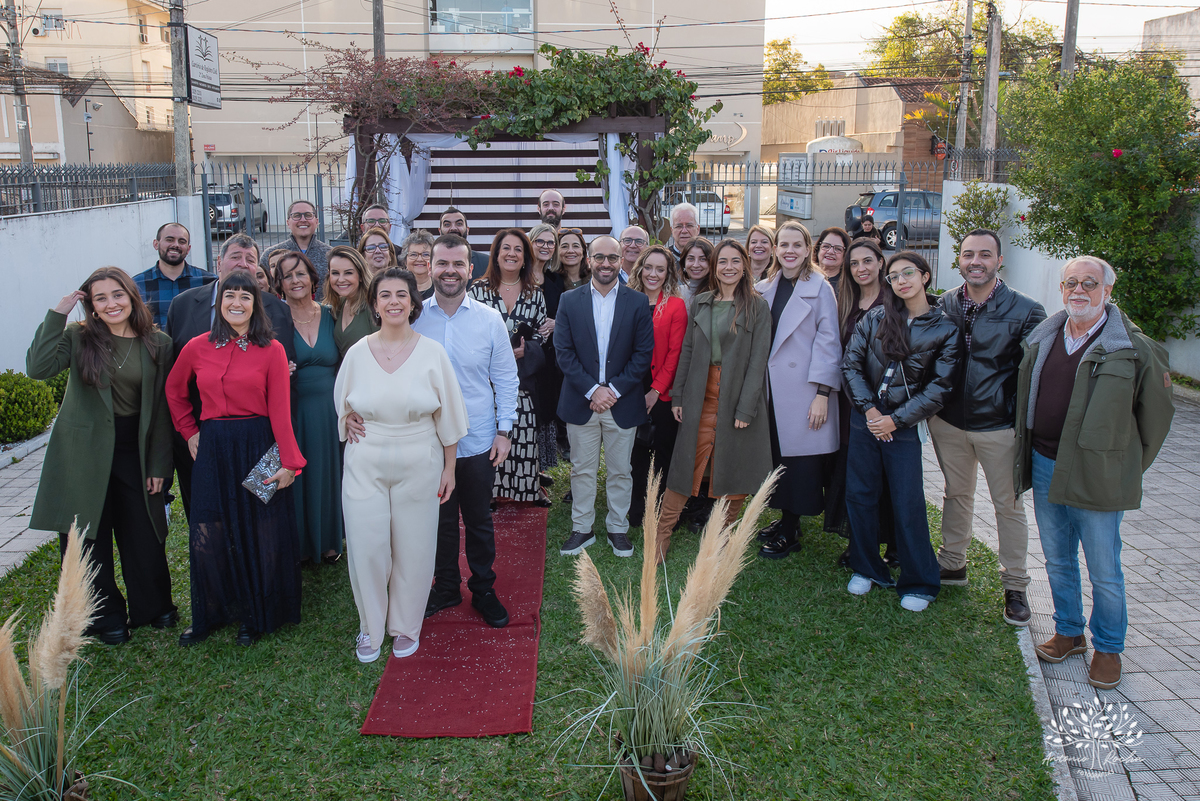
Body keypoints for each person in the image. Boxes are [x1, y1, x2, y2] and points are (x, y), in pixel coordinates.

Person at [1017, 256, 1173, 690]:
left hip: (1099, 475)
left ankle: (1108, 648)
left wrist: (1125, 468)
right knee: (1058, 558)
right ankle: (1069, 631)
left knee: (1104, 567)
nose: (1079, 291)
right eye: (1071, 283)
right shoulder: (1045, 337)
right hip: (1047, 465)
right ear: (1062, 290)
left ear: (1108, 291)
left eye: (1089, 283)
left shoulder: (1134, 347)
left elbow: (1156, 419)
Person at [27, 267, 177, 645]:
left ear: (132, 296)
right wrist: (58, 313)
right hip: (84, 452)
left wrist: (160, 464)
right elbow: (38, 367)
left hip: (135, 448)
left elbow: (163, 407)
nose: (111, 304)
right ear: (91, 307)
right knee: (87, 538)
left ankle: (154, 607)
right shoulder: (78, 337)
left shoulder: (157, 342)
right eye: (101, 298)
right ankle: (103, 618)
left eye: (118, 295)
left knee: (143, 531)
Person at [334, 266, 469, 662]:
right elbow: (341, 403)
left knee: (414, 547)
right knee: (366, 546)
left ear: (413, 303)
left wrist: (449, 468)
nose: (394, 302)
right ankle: (370, 627)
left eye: (401, 295)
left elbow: (449, 417)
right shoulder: (358, 352)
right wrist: (347, 418)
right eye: (385, 295)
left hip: (420, 457)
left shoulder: (432, 353)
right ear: (375, 305)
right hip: (366, 457)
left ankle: (406, 626)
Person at [166, 270, 306, 647]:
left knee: (259, 529)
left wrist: (289, 462)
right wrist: (190, 432)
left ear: (255, 304)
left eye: (246, 296)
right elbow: (174, 391)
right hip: (214, 446)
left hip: (259, 443)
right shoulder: (197, 346)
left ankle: (254, 614)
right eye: (230, 295)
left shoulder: (272, 349)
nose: (237, 303)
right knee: (208, 528)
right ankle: (211, 611)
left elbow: (280, 409)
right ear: (220, 301)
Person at [930, 229, 1047, 627]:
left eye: (985, 254)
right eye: (968, 254)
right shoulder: (945, 304)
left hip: (999, 427)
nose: (975, 261)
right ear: (958, 260)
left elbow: (1036, 372)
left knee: (1008, 506)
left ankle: (1014, 585)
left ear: (1000, 260)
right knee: (955, 495)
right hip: (949, 423)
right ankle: (952, 563)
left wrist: (1017, 417)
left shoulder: (1028, 310)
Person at [411, 234, 520, 629]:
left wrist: (504, 431)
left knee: (477, 520)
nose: (450, 271)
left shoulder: (490, 320)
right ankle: (445, 587)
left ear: (470, 270)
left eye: (458, 264)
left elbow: (506, 378)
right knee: (437, 521)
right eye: (442, 263)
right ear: (429, 266)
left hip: (476, 440)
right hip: (426, 442)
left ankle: (484, 588)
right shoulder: (414, 317)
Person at [841, 252, 958, 612]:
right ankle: (867, 566)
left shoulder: (945, 328)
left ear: (925, 277)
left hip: (903, 428)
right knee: (860, 495)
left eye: (908, 273)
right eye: (894, 276)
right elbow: (850, 365)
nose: (901, 280)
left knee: (906, 501)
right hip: (866, 420)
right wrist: (871, 410)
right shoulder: (875, 317)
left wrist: (896, 420)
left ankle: (919, 581)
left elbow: (940, 387)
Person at [654, 239, 773, 562]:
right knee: (684, 466)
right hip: (699, 393)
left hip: (736, 396)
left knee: (731, 467)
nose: (729, 267)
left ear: (744, 265)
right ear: (714, 266)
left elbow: (758, 361)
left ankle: (721, 538)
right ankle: (662, 534)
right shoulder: (702, 302)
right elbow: (688, 352)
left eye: (736, 261)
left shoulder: (757, 307)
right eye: (723, 262)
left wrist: (746, 407)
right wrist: (678, 394)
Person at [165, 233, 296, 520]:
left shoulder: (277, 314)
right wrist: (189, 431)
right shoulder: (184, 308)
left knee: (261, 514)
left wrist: (290, 458)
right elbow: (173, 385)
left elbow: (280, 395)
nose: (242, 264)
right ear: (219, 262)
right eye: (236, 256)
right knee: (212, 516)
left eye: (250, 259)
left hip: (260, 437)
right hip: (206, 438)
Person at [555, 234, 654, 557]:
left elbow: (643, 354)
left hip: (620, 402)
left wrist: (610, 391)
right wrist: (592, 389)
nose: (606, 263)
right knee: (581, 469)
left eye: (613, 257)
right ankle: (582, 529)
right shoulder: (569, 301)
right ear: (589, 260)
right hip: (581, 400)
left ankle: (618, 529)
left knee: (620, 470)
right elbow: (563, 352)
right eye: (600, 257)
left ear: (620, 260)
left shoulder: (637, 302)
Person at [754, 221, 842, 559]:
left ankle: (789, 532)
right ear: (775, 249)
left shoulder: (820, 289)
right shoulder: (765, 287)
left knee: (798, 463)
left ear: (808, 250)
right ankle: (785, 521)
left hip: (804, 390)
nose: (789, 251)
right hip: (771, 389)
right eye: (783, 244)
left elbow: (828, 343)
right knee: (778, 456)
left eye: (797, 245)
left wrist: (822, 393)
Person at [822, 237, 896, 567]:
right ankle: (859, 540)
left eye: (867, 261)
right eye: (854, 264)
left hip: (887, 405)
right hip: (850, 402)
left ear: (881, 262)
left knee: (889, 476)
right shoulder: (845, 302)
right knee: (856, 474)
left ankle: (894, 543)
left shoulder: (894, 302)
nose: (860, 268)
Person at [468, 229, 548, 504]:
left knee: (522, 430)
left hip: (521, 378)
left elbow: (540, 332)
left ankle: (525, 490)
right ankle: (488, 492)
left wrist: (528, 349)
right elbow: (470, 332)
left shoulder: (535, 294)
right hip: (485, 379)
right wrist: (497, 354)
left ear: (525, 258)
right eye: (506, 248)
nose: (512, 254)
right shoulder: (478, 291)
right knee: (490, 433)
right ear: (496, 254)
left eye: (518, 249)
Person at [276, 251, 343, 565]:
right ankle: (301, 544)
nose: (294, 280)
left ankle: (330, 541)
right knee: (301, 474)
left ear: (313, 278)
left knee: (331, 473)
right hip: (296, 410)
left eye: (300, 273)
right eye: (287, 276)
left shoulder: (332, 314)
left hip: (331, 412)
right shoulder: (274, 319)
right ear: (280, 283)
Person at [627, 245, 687, 527]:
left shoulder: (675, 306)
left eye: (660, 269)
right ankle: (634, 509)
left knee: (663, 454)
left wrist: (656, 390)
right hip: (629, 388)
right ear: (639, 268)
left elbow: (676, 353)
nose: (653, 274)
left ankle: (661, 510)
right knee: (634, 454)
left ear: (668, 273)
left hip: (662, 392)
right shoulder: (625, 300)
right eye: (648, 267)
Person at [529, 223, 564, 473]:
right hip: (523, 355)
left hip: (549, 355)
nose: (545, 246)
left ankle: (539, 472)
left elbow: (566, 315)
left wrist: (557, 323)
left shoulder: (555, 281)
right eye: (540, 241)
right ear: (530, 243)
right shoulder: (519, 276)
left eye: (550, 242)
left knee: (545, 411)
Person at [133, 222, 213, 331]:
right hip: (155, 347)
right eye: (169, 240)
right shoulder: (136, 285)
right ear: (156, 244)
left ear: (188, 249)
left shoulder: (208, 282)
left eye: (182, 241)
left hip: (194, 347)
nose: (175, 245)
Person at [260, 200, 332, 296]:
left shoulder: (330, 254)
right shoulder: (270, 255)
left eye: (308, 215)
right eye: (296, 215)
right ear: (288, 222)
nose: (303, 219)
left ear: (316, 221)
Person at [325, 246, 378, 358]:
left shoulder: (374, 305)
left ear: (360, 275)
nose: (341, 279)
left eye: (348, 273)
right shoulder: (340, 304)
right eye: (335, 273)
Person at [438, 206, 489, 279]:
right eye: (447, 224)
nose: (453, 228)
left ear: (467, 230)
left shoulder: (486, 263)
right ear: (440, 231)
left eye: (459, 224)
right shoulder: (431, 262)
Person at [399, 229, 436, 299]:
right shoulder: (397, 289)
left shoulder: (441, 290)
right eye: (413, 254)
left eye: (425, 254)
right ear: (405, 261)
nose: (419, 259)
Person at [679, 237, 714, 308]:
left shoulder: (718, 293)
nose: (696, 265)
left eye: (703, 259)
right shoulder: (677, 293)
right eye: (691, 259)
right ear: (684, 262)